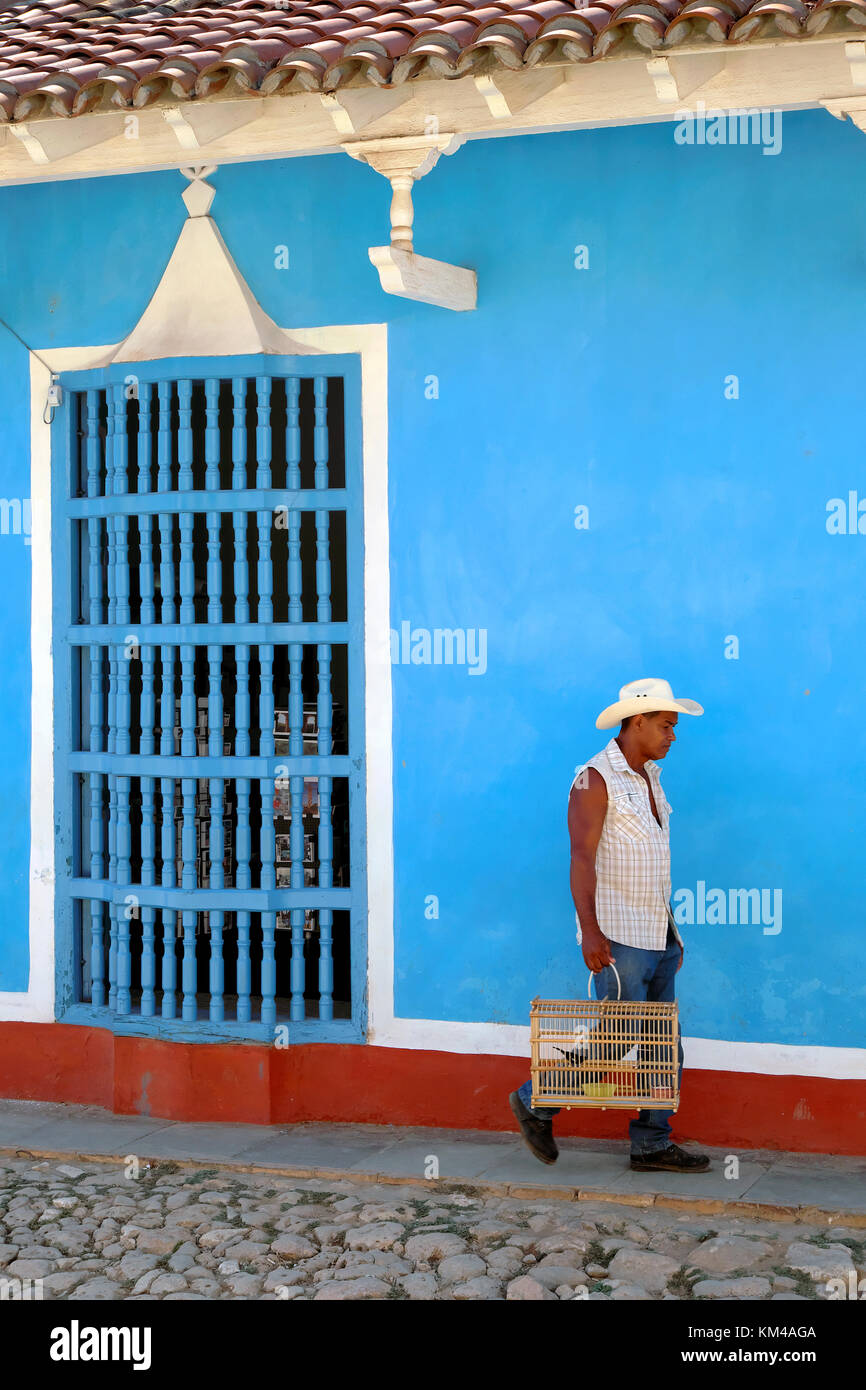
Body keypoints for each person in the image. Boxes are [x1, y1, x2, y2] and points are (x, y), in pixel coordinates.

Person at [509, 677, 711, 1173]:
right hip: (620, 936)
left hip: (658, 932)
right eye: (666, 725)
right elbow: (581, 858)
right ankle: (536, 1100)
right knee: (617, 1040)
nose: (673, 736)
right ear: (636, 721)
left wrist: (670, 937)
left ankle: (652, 1143)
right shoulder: (594, 779)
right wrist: (591, 931)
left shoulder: (649, 777)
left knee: (664, 1042)